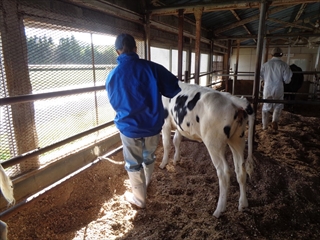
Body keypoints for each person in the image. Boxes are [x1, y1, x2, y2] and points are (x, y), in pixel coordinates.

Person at [105, 33, 181, 208]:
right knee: (149, 156)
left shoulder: (112, 76)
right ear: (135, 48)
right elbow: (172, 88)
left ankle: (139, 199)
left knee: (133, 162)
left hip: (129, 127)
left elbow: (114, 102)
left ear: (118, 52)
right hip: (152, 125)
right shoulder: (153, 68)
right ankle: (146, 184)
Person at [260, 47, 293, 131]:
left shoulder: (265, 64)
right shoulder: (284, 65)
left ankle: (264, 126)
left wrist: (264, 80)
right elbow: (287, 80)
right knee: (278, 105)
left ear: (271, 55)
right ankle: (274, 121)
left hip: (267, 87)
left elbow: (260, 76)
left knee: (266, 106)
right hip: (278, 87)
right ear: (281, 55)